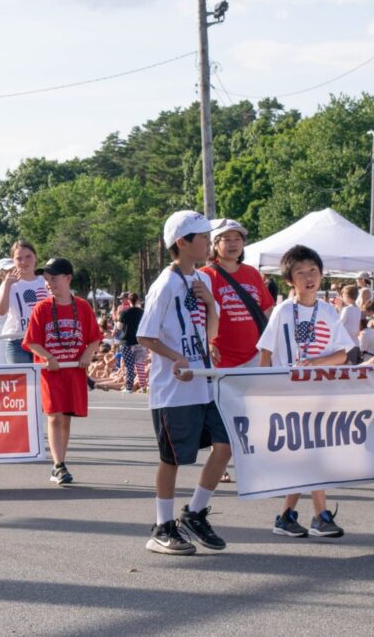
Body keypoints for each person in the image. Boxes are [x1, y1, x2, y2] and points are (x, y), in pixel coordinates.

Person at [136, 211, 225, 556]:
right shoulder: (165, 284)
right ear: (182, 243)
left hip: (204, 383)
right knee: (171, 458)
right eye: (203, 237)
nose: (209, 243)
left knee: (225, 444)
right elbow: (145, 335)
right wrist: (176, 357)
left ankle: (195, 512)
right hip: (173, 390)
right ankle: (162, 526)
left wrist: (210, 303)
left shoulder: (202, 279)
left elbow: (211, 332)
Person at [256, 245, 355, 538]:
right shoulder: (283, 311)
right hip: (289, 393)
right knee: (311, 452)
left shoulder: (328, 311)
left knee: (310, 453)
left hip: (320, 392)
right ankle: (318, 516)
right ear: (290, 280)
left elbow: (344, 354)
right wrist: (262, 389)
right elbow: (265, 351)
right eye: (301, 272)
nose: (309, 277)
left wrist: (317, 363)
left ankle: (288, 516)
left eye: (313, 271)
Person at [22, 258, 102, 486]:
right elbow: (31, 341)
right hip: (52, 372)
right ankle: (58, 465)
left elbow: (94, 338)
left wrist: (87, 354)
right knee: (55, 416)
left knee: (65, 418)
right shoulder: (42, 308)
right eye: (47, 280)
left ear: (68, 279)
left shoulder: (82, 307)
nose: (49, 284)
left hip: (73, 371)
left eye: (54, 279)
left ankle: (60, 461)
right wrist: (49, 357)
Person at [200, 219, 274, 369]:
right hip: (220, 358)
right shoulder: (204, 275)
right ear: (215, 244)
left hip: (255, 356)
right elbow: (197, 316)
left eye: (238, 239)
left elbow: (267, 309)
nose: (233, 244)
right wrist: (207, 343)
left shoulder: (253, 273)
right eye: (227, 239)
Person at [0, 241, 49, 364]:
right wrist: (7, 285)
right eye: (19, 258)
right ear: (13, 261)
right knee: (22, 377)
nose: (24, 262)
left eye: (28, 256)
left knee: (43, 376)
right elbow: (1, 311)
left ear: (35, 257)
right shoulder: (8, 284)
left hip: (43, 339)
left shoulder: (45, 281)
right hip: (17, 341)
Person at [117, 293, 145, 393]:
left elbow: (119, 327)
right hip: (139, 341)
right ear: (138, 300)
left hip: (127, 342)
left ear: (128, 301)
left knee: (129, 366)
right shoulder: (142, 312)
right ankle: (143, 386)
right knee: (140, 365)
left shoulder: (124, 312)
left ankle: (129, 387)